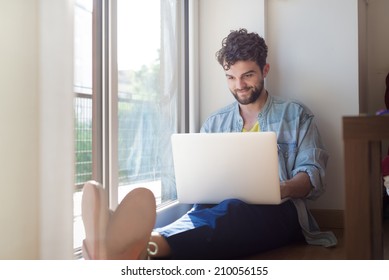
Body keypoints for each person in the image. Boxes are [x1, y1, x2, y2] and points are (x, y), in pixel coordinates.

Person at [82, 28, 337, 260]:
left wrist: (278, 188)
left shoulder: (296, 115)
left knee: (233, 211)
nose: (239, 86)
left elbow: (312, 178)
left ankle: (131, 246)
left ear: (265, 70)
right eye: (231, 77)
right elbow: (201, 183)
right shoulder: (215, 123)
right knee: (200, 213)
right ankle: (134, 247)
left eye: (247, 75)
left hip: (280, 212)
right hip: (217, 208)